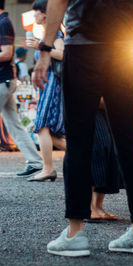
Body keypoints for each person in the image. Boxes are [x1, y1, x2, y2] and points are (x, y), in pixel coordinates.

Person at [33, 0, 133, 257]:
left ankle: (75, 233)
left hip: (85, 46)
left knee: (79, 140)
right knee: (128, 138)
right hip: (125, 47)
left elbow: (58, 1)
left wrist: (45, 49)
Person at [0, 0, 43, 177]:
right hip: (6, 81)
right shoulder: (3, 22)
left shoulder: (3, 23)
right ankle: (35, 162)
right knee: (15, 125)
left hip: (3, 81)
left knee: (14, 124)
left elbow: (6, 53)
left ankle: (36, 162)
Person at [26, 0, 66, 182]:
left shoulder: (56, 33)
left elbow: (61, 54)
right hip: (47, 85)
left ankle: (48, 168)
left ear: (45, 13)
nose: (34, 15)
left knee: (42, 125)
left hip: (51, 85)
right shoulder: (47, 33)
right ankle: (89, 153)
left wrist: (41, 47)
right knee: (49, 131)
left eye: (36, 12)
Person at [89, 100, 123, 221]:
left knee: (108, 151)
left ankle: (98, 207)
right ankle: (88, 207)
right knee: (98, 148)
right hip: (88, 105)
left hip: (106, 107)